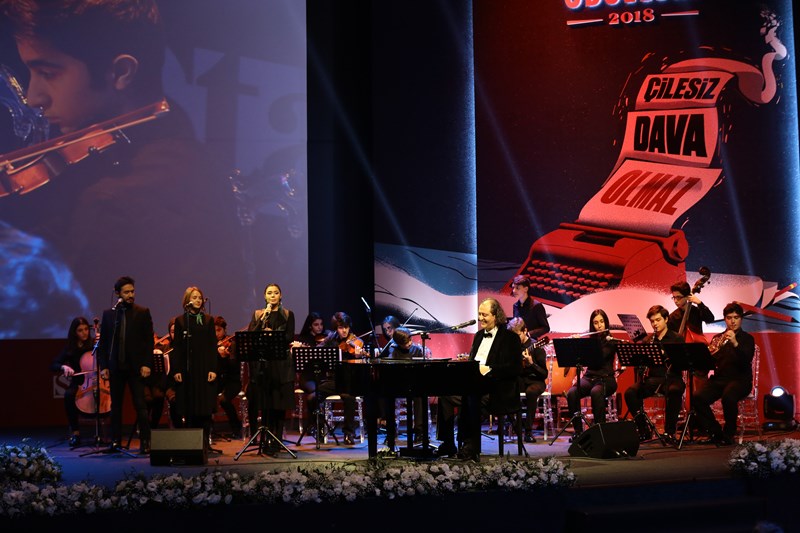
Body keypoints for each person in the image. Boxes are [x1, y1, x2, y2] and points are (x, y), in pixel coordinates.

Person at [0, 0, 245, 336]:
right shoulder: (176, 138)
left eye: (48, 73)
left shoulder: (115, 202)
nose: (33, 97)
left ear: (121, 73)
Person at [436, 298, 523, 461]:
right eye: (479, 314)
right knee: (446, 396)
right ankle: (448, 443)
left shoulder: (510, 338)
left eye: (485, 315)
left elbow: (515, 368)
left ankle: (471, 446)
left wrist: (489, 369)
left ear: (496, 315)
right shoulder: (478, 336)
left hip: (498, 389)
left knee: (472, 396)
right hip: (475, 385)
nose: (480, 318)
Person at [96, 275, 154, 454]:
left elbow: (148, 342)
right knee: (116, 406)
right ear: (117, 294)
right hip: (116, 367)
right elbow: (104, 343)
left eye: (132, 291)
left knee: (140, 405)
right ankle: (115, 441)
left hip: (136, 368)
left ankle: (146, 441)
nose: (131, 295)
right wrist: (104, 366)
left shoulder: (142, 312)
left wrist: (146, 364)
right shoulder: (109, 315)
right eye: (127, 292)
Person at [692, 302, 756, 446]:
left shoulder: (747, 339)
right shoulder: (718, 338)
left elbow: (746, 360)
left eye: (736, 317)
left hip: (740, 380)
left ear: (741, 319)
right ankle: (715, 432)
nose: (733, 321)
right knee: (697, 397)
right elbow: (710, 362)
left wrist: (735, 343)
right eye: (729, 318)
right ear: (725, 319)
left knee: (728, 396)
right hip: (720, 379)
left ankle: (728, 434)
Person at [623, 305, 684, 444]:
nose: (655, 324)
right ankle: (643, 429)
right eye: (652, 321)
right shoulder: (648, 340)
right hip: (653, 379)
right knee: (630, 393)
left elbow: (681, 362)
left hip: (673, 377)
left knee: (674, 391)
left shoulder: (676, 338)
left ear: (666, 319)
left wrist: (664, 354)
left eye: (658, 320)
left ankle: (669, 432)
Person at [246, 283, 296, 451]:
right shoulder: (258, 314)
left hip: (281, 364)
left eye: (276, 293)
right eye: (269, 293)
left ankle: (278, 438)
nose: (272, 295)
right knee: (266, 401)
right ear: (265, 296)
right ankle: (266, 438)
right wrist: (262, 320)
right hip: (264, 364)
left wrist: (272, 336)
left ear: (280, 295)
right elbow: (251, 335)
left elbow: (289, 336)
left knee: (279, 403)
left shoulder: (288, 314)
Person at [170, 287, 218, 452]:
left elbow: (212, 346)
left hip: (204, 367)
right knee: (189, 406)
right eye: (194, 297)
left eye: (200, 297)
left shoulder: (208, 320)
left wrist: (213, 368)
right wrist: (177, 370)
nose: (198, 300)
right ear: (187, 301)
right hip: (187, 369)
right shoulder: (181, 321)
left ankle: (205, 443)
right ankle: (191, 444)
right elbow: (177, 347)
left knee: (204, 407)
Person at [565, 309, 619, 436]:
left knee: (596, 392)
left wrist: (583, 344)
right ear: (592, 325)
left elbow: (600, 356)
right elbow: (580, 359)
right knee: (572, 393)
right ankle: (578, 431)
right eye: (596, 323)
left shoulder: (611, 341)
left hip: (606, 379)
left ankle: (599, 431)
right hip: (589, 378)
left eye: (601, 322)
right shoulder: (590, 341)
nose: (599, 325)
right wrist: (575, 344)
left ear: (606, 323)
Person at [318, 311, 365, 445]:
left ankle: (348, 433)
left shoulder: (357, 342)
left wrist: (359, 357)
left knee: (349, 397)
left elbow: (361, 368)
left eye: (346, 327)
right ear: (336, 328)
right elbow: (318, 350)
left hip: (350, 381)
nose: (344, 331)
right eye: (340, 327)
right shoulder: (330, 339)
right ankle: (320, 428)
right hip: (334, 380)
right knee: (316, 393)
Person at [382, 326, 429, 450]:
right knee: (388, 395)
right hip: (398, 386)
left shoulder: (417, 350)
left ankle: (419, 432)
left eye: (410, 340)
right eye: (405, 343)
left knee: (420, 397)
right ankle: (391, 431)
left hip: (414, 386)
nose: (409, 344)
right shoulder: (393, 351)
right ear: (398, 343)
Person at [50, 316, 94, 448]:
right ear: (75, 332)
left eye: (86, 329)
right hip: (79, 383)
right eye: (80, 330)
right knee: (69, 395)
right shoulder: (70, 348)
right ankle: (76, 432)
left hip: (95, 381)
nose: (84, 333)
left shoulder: (94, 345)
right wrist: (64, 367)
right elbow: (54, 364)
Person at [507, 317, 547, 443]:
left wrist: (531, 364)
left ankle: (528, 431)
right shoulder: (512, 347)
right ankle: (514, 425)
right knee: (506, 388)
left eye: (517, 336)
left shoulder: (536, 347)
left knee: (531, 392)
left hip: (536, 380)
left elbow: (544, 374)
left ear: (525, 331)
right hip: (520, 380)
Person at [292, 311, 330, 432]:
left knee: (317, 394)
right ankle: (315, 424)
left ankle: (317, 424)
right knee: (314, 393)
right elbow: (297, 362)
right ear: (310, 326)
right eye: (316, 324)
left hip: (322, 375)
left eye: (321, 324)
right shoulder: (303, 339)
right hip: (307, 376)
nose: (320, 327)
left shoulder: (327, 338)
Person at [214, 316, 243, 439]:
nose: (216, 334)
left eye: (219, 330)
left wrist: (225, 357)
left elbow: (234, 367)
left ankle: (236, 427)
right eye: (214, 331)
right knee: (205, 395)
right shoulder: (211, 344)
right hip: (218, 380)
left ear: (225, 330)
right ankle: (207, 429)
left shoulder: (232, 344)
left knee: (224, 400)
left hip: (232, 381)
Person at [511, 275, 550, 340]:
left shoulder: (536, 306)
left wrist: (529, 334)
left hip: (531, 342)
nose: (514, 291)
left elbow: (545, 328)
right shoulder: (515, 306)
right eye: (513, 288)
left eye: (517, 288)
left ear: (526, 289)